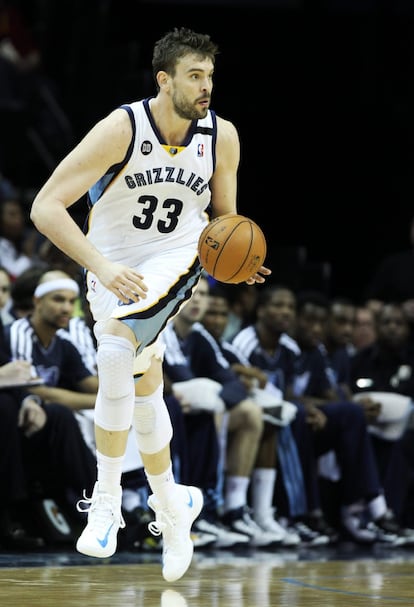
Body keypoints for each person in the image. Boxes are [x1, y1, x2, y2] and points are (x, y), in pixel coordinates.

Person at [30, 27, 270, 582]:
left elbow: (221, 224)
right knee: (140, 382)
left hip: (176, 259)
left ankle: (108, 497)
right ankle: (171, 501)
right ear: (164, 80)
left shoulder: (222, 136)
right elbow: (46, 207)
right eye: (194, 75)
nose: (206, 86)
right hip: (111, 263)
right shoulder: (122, 128)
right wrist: (104, 267)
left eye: (210, 75)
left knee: (115, 352)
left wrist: (235, 253)